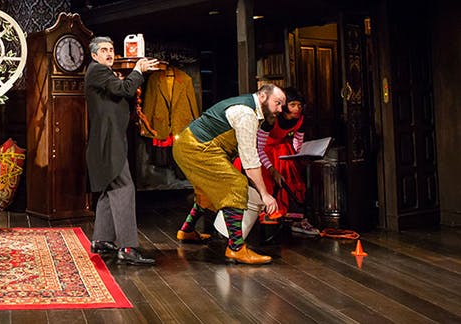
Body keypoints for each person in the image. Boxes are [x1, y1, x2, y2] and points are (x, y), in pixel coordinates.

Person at [171, 85, 285, 265]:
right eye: (277, 103)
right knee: (235, 184)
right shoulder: (247, 115)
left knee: (209, 189)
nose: (280, 109)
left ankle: (187, 230)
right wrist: (265, 195)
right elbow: (250, 160)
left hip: (191, 145)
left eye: (282, 105)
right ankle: (236, 248)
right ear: (263, 96)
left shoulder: (251, 110)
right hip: (195, 148)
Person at [85, 36, 159, 265]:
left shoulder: (102, 72)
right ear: (94, 55)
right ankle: (127, 247)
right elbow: (125, 90)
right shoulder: (97, 70)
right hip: (107, 141)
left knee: (111, 187)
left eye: (111, 49)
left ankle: (101, 239)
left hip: (108, 139)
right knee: (124, 188)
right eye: (104, 50)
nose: (109, 53)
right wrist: (137, 70)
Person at [254, 87, 319, 235]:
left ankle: (295, 219)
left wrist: (302, 155)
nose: (297, 109)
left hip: (283, 151)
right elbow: (259, 148)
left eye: (299, 105)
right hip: (265, 153)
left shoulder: (300, 120)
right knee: (270, 184)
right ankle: (271, 219)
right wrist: (272, 169)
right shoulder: (271, 120)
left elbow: (298, 143)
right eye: (293, 105)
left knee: (293, 181)